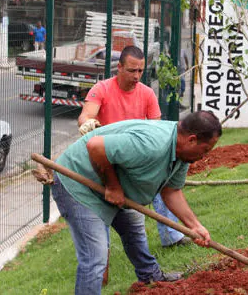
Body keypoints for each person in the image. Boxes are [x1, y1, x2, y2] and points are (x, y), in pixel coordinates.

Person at [34, 111, 221, 295]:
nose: (203, 157)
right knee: (95, 257)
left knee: (134, 230)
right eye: (205, 150)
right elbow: (96, 146)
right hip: (79, 182)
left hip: (115, 187)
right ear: (191, 140)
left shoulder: (181, 155)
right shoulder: (152, 144)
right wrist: (112, 185)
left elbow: (171, 191)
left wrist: (195, 226)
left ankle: (150, 277)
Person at [78, 45, 191, 248]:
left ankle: (172, 237)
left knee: (161, 181)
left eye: (140, 71)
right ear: (119, 67)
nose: (137, 76)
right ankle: (100, 250)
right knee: (100, 202)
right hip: (106, 156)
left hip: (136, 157)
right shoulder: (101, 89)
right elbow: (86, 115)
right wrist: (87, 123)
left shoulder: (147, 94)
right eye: (132, 70)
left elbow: (157, 129)